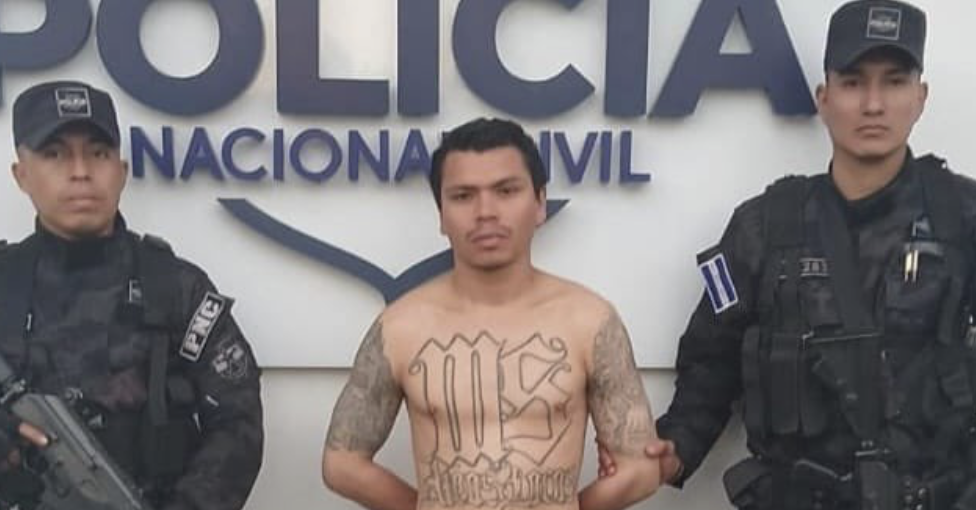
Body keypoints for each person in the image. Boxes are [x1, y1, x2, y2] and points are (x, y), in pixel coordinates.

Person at [599, 1, 976, 509]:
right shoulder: (761, 226)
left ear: (920, 97)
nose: (873, 104)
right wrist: (672, 450)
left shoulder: (962, 217)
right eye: (853, 83)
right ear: (824, 98)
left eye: (893, 82)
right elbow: (710, 364)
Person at [321, 118, 662, 510]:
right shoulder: (400, 328)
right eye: (463, 196)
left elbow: (640, 469)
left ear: (539, 204)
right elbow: (342, 462)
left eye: (506, 191)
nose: (485, 211)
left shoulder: (589, 321)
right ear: (441, 215)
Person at [0, 80, 264, 510]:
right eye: (55, 154)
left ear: (121, 171)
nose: (81, 171)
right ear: (21, 174)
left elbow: (238, 421)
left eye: (98, 153)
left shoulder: (176, 287)